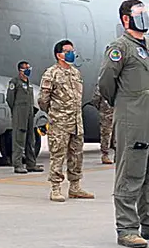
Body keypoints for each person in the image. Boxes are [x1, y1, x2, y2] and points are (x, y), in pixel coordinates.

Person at [96, 0, 149, 248]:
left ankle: (146, 225)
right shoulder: (120, 47)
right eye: (139, 14)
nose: (144, 17)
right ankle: (127, 228)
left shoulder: (146, 47)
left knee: (147, 172)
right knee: (130, 171)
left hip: (146, 117)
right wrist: (124, 102)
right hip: (132, 117)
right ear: (126, 19)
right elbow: (106, 82)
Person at [37, 40, 95, 203]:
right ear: (59, 55)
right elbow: (43, 100)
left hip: (76, 122)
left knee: (77, 155)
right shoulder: (51, 73)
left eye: (72, 50)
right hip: (59, 123)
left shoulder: (76, 73)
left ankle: (75, 187)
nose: (72, 53)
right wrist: (56, 114)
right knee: (58, 155)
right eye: (68, 51)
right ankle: (55, 188)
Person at [6, 61, 44, 174]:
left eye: (29, 68)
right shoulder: (15, 82)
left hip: (29, 113)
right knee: (19, 139)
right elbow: (10, 99)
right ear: (20, 70)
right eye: (26, 68)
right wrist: (17, 111)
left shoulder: (29, 83)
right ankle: (17, 165)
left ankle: (31, 164)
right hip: (20, 113)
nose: (28, 70)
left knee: (30, 139)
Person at [90, 85, 116, 165]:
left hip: (115, 112)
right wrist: (102, 109)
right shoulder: (102, 82)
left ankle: (117, 154)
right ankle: (105, 155)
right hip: (107, 113)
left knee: (117, 134)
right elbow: (95, 99)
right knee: (106, 134)